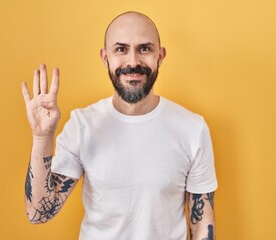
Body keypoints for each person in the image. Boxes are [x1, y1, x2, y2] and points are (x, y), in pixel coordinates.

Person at [22, 11, 218, 240]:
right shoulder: (82, 125)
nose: (133, 61)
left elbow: (202, 223)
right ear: (105, 58)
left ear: (160, 57)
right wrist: (42, 138)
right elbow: (39, 213)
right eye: (121, 49)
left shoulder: (192, 129)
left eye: (144, 48)